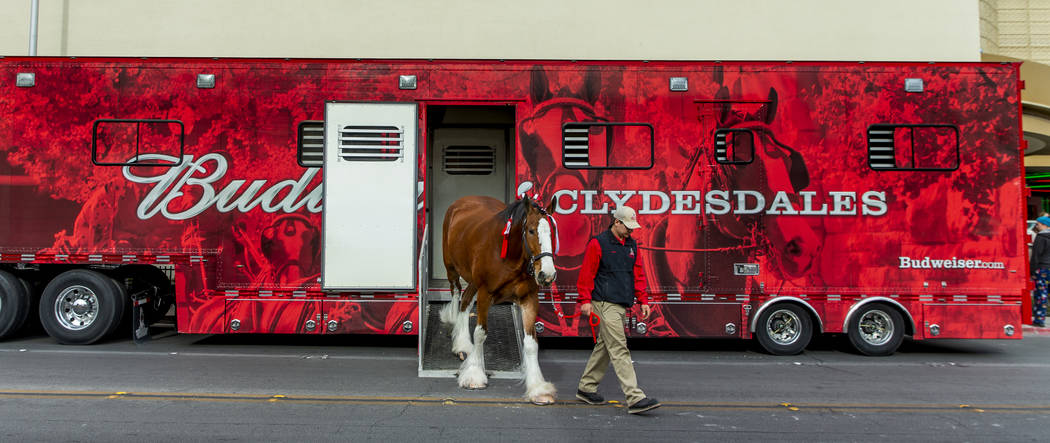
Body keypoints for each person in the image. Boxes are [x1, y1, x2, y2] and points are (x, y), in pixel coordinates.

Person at [575, 205, 661, 414]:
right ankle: (634, 397)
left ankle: (586, 388)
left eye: (633, 226)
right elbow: (587, 273)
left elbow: (638, 274)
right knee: (619, 348)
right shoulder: (598, 243)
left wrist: (644, 300)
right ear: (617, 222)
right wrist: (585, 300)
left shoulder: (631, 245)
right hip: (604, 303)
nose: (631, 231)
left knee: (605, 346)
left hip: (620, 303)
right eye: (628, 226)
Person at [1031, 216, 1050, 327]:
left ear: (1045, 225)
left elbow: (1036, 256)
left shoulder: (1041, 237)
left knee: (1041, 294)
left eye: (1038, 224)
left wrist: (1032, 271)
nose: (1037, 226)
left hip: (1042, 268)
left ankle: (1039, 319)